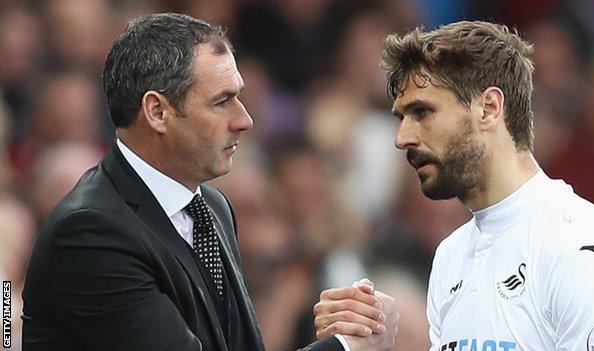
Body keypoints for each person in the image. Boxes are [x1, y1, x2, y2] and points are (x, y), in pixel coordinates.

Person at [21, 13, 398, 351]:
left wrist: (345, 328)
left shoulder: (211, 207)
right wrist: (347, 347)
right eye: (222, 101)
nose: (244, 119)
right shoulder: (91, 233)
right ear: (157, 112)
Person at [313, 21, 594, 350]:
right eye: (401, 118)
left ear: (489, 108)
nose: (402, 138)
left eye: (422, 112)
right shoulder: (451, 255)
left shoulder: (577, 244)